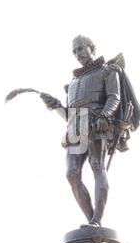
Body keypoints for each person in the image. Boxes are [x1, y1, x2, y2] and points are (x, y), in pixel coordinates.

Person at [41, 35, 125, 227]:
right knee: (71, 174)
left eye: (80, 48)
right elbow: (69, 115)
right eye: (74, 51)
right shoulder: (72, 83)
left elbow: (114, 97)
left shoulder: (108, 70)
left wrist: (104, 116)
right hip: (76, 128)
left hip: (96, 123)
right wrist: (55, 106)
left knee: (97, 165)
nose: (77, 54)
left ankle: (97, 220)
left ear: (91, 48)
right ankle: (91, 221)